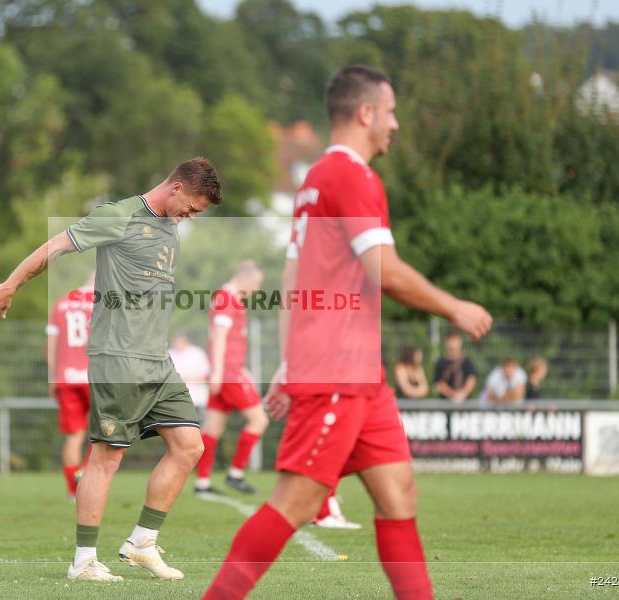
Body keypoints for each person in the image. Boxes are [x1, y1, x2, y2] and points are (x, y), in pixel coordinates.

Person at [203, 66, 492, 600]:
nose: (395, 124)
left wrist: (289, 363)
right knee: (295, 502)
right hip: (336, 369)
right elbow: (384, 268)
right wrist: (453, 307)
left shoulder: (313, 181)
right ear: (365, 113)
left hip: (360, 374)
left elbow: (294, 279)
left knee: (399, 493)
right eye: (390, 112)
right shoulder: (352, 177)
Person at [0, 157, 221, 584]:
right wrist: (11, 284)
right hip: (118, 358)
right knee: (107, 457)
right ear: (176, 188)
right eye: (192, 208)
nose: (191, 217)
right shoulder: (118, 216)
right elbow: (53, 248)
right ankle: (83, 560)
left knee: (190, 446)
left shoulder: (169, 226)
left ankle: (142, 543)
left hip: (157, 360)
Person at [195, 260, 269, 495]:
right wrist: (218, 371)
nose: (257, 289)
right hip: (228, 374)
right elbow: (220, 336)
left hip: (230, 370)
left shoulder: (227, 298)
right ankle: (236, 474)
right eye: (257, 283)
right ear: (246, 278)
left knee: (213, 428)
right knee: (259, 420)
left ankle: (202, 482)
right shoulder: (227, 298)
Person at [47, 271, 95, 500]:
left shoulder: (61, 303)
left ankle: (72, 490)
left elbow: (51, 345)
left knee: (74, 436)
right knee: (105, 431)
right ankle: (85, 470)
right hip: (97, 377)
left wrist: (53, 376)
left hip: (67, 377)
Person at [168, 331, 210, 422]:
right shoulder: (169, 354)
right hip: (175, 401)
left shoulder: (197, 353)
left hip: (196, 400)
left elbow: (205, 377)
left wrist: (185, 380)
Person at [433, 333, 478, 403]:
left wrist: (463, 394)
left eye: (455, 341)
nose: (452, 344)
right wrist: (453, 395)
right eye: (450, 341)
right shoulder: (440, 362)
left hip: (465, 404)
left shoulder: (466, 361)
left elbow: (471, 379)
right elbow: (439, 383)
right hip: (446, 404)